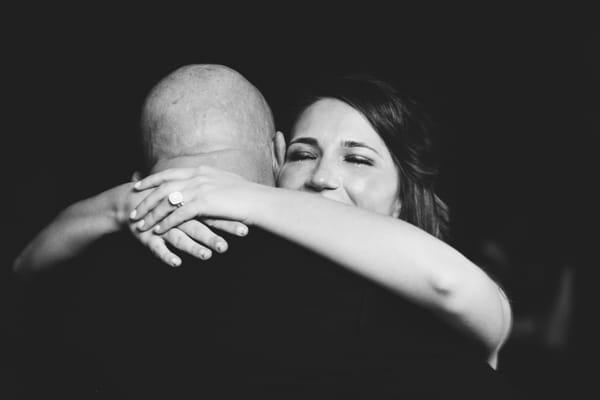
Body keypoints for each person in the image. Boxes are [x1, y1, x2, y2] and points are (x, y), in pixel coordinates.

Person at [13, 65, 517, 398]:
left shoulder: (425, 305)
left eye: (358, 158)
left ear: (405, 197)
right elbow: (24, 270)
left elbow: (461, 293)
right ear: (277, 162)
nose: (322, 177)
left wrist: (241, 194)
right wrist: (124, 205)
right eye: (303, 153)